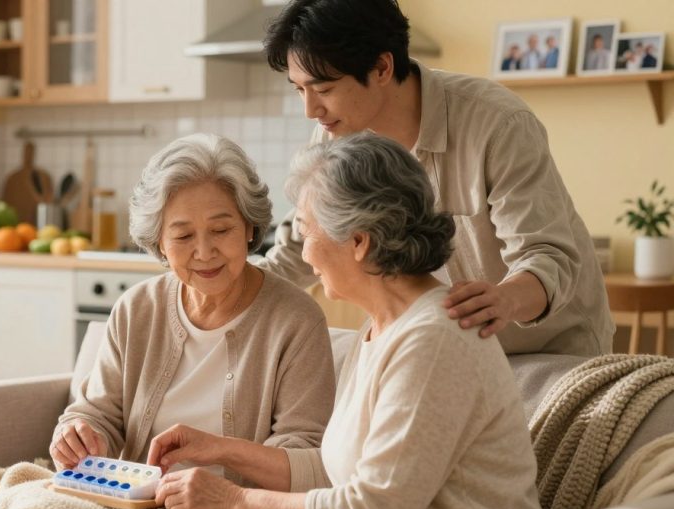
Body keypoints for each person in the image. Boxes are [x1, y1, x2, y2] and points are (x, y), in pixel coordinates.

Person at [154, 134, 551, 509]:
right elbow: (331, 471)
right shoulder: (382, 327)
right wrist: (220, 449)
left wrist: (231, 501)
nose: (302, 253)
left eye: (306, 231)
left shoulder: (435, 340)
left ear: (358, 241)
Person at [42, 133, 336, 509]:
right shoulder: (137, 308)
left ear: (251, 229)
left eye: (221, 230)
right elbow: (97, 411)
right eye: (182, 235)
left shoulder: (296, 320)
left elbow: (305, 458)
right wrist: (78, 432)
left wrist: (221, 476)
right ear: (159, 243)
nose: (204, 252)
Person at [257, 0, 613, 357]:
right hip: (448, 350)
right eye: (299, 89)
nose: (310, 110)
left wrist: (503, 299)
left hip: (550, 353)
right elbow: (306, 241)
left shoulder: (496, 123)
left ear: (381, 67)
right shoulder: (336, 134)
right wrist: (232, 285)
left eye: (323, 89)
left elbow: (548, 256)